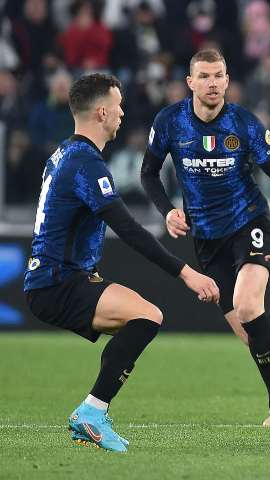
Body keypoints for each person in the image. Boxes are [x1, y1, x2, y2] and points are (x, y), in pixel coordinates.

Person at [140, 49, 270, 426]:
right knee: (252, 334)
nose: (212, 83)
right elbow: (148, 173)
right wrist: (168, 211)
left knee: (248, 307)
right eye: (204, 76)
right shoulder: (170, 121)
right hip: (206, 238)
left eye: (218, 76)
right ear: (190, 82)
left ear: (227, 80)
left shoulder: (245, 124)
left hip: (249, 224)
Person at [23, 73, 220, 453]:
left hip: (54, 277)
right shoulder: (86, 163)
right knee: (146, 317)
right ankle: (92, 412)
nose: (122, 113)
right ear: (101, 112)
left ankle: (94, 411)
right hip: (57, 281)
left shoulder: (64, 153)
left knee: (141, 319)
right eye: (118, 106)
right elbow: (127, 229)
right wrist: (187, 273)